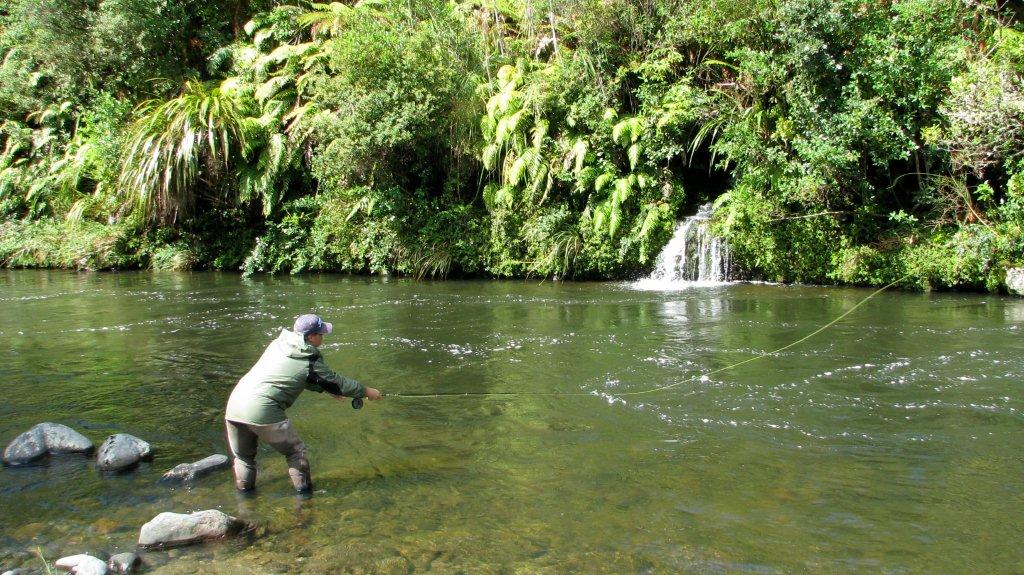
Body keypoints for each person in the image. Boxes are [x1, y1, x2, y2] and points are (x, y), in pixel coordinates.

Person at [224, 313, 382, 494]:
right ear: (311, 336)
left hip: (235, 405)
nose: (323, 337)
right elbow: (337, 382)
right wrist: (366, 391)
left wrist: (325, 389)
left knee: (243, 458)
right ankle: (305, 500)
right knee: (295, 452)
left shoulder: (279, 345)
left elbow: (294, 376)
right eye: (321, 334)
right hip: (262, 409)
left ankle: (245, 504)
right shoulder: (307, 357)